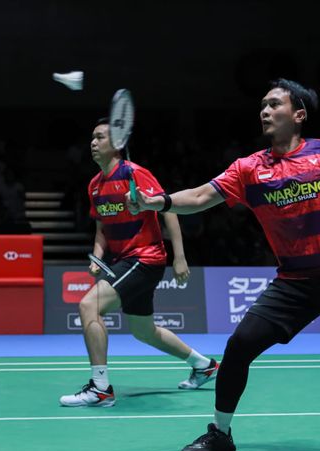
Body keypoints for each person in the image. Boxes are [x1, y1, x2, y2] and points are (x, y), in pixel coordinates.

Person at [127, 79, 320, 451]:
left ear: (299, 115)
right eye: (262, 105)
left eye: (274, 104)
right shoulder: (250, 168)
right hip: (295, 281)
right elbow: (202, 197)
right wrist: (159, 202)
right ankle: (220, 434)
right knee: (239, 347)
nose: (265, 111)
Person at [59, 118, 219, 407]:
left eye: (100, 138)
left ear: (117, 144)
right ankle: (204, 365)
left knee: (89, 306)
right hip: (123, 260)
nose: (93, 143)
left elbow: (167, 210)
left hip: (145, 257)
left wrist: (180, 257)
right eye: (92, 138)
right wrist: (97, 255)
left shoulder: (135, 174)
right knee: (143, 331)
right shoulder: (94, 186)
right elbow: (101, 229)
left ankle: (100, 388)